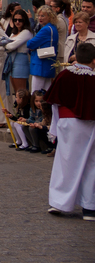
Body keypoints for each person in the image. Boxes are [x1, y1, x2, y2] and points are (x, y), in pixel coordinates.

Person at [44, 42, 95, 219]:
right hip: (90, 125)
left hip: (67, 123)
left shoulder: (65, 75)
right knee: (90, 164)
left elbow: (55, 104)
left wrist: (55, 128)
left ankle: (59, 203)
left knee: (65, 162)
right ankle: (89, 208)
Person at [28, 6, 62, 92]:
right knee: (46, 92)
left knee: (35, 93)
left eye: (43, 16)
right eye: (39, 16)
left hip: (40, 64)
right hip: (48, 63)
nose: (40, 18)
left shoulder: (46, 29)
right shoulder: (53, 28)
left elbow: (30, 44)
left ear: (50, 17)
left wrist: (33, 47)